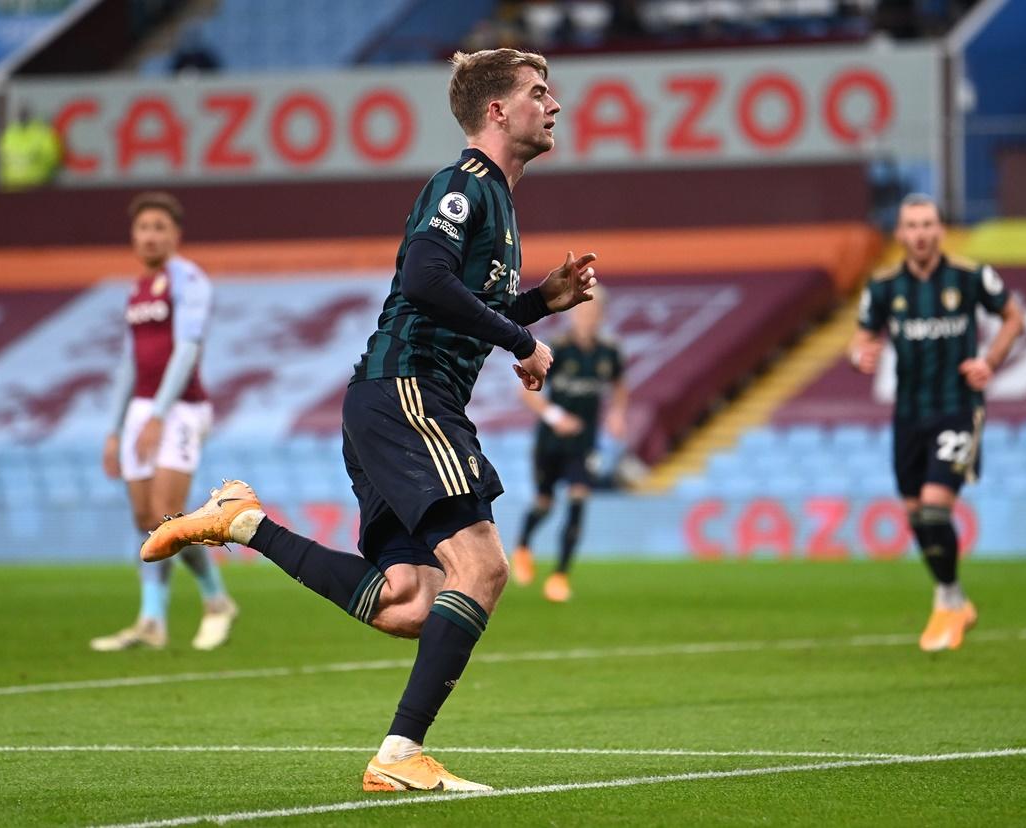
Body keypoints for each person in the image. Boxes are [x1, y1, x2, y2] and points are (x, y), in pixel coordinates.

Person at [139, 49, 597, 792]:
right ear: (496, 110)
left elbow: (453, 307)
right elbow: (422, 278)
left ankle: (243, 522)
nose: (554, 105)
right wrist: (525, 338)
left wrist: (539, 302)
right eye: (539, 92)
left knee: (411, 601)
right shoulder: (463, 186)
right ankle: (399, 755)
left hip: (389, 400)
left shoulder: (501, 206)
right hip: (408, 393)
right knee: (480, 567)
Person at [848, 193, 1024, 653]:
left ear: (940, 230)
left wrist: (991, 359)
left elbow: (1013, 317)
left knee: (932, 507)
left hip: (957, 407)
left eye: (929, 224)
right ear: (900, 234)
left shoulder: (969, 276)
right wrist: (858, 353)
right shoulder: (884, 286)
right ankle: (956, 600)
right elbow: (862, 336)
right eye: (912, 225)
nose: (921, 233)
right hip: (907, 414)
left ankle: (947, 600)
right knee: (916, 518)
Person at [91, 192, 238, 652]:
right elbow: (130, 364)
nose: (150, 235)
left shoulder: (188, 280)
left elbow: (188, 349)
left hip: (179, 409)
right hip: (141, 409)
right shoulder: (138, 289)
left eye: (159, 227)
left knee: (164, 515)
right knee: (145, 520)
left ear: (175, 235)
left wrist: (158, 414)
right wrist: (116, 429)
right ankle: (151, 620)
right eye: (143, 228)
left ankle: (216, 601)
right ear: (133, 236)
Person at [511, 287, 627, 601]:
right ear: (574, 314)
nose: (587, 318)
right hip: (550, 442)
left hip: (584, 444)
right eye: (583, 312)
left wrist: (617, 414)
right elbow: (526, 393)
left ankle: (560, 576)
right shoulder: (557, 350)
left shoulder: (609, 353)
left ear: (601, 316)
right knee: (544, 505)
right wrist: (555, 415)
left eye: (593, 313)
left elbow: (618, 386)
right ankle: (522, 545)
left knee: (578, 500)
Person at [0, 105, 62, 191]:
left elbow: (53, 158)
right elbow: (1, 158)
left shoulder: (42, 133)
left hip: (35, 188)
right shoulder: (8, 134)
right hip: (11, 188)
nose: (22, 117)